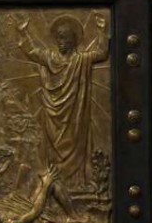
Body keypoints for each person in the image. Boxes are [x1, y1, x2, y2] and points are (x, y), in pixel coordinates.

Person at [15, 12, 109, 189]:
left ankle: (76, 185)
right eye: (58, 37)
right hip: (53, 116)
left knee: (76, 149)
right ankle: (55, 188)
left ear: (73, 39)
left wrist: (102, 30)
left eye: (64, 37)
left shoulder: (82, 59)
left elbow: (102, 53)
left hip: (75, 117)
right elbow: (31, 52)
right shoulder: (50, 58)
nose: (60, 41)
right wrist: (23, 32)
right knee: (52, 152)